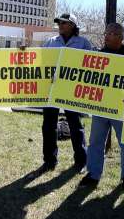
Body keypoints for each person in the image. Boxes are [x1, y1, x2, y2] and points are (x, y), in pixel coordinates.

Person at [79, 23, 124, 189]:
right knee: (95, 142)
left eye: (111, 33)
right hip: (101, 107)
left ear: (120, 38)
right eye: (106, 32)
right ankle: (93, 174)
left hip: (122, 108)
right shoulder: (99, 54)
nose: (106, 35)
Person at [40, 13, 93, 173]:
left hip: (72, 90)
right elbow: (41, 62)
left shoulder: (83, 43)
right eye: (59, 23)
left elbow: (90, 66)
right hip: (51, 89)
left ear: (73, 25)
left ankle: (81, 160)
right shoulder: (50, 42)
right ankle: (49, 160)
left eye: (64, 23)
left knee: (75, 124)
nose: (61, 25)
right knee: (49, 125)